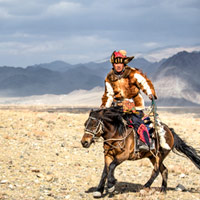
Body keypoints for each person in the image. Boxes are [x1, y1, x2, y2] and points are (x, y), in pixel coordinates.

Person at [101, 50, 170, 150]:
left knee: (135, 121)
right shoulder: (109, 77)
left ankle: (145, 142)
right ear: (113, 64)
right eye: (116, 63)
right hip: (117, 107)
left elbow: (144, 82)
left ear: (124, 63)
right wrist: (105, 107)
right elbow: (109, 94)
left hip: (134, 105)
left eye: (120, 62)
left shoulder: (133, 73)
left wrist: (150, 93)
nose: (118, 65)